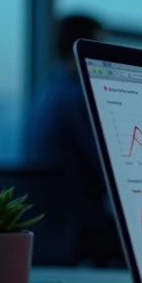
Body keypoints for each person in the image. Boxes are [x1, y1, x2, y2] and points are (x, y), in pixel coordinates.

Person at [24, 14, 120, 265]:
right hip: (78, 223)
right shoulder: (79, 97)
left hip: (47, 223)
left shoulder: (48, 89)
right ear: (85, 45)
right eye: (101, 44)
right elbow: (108, 165)